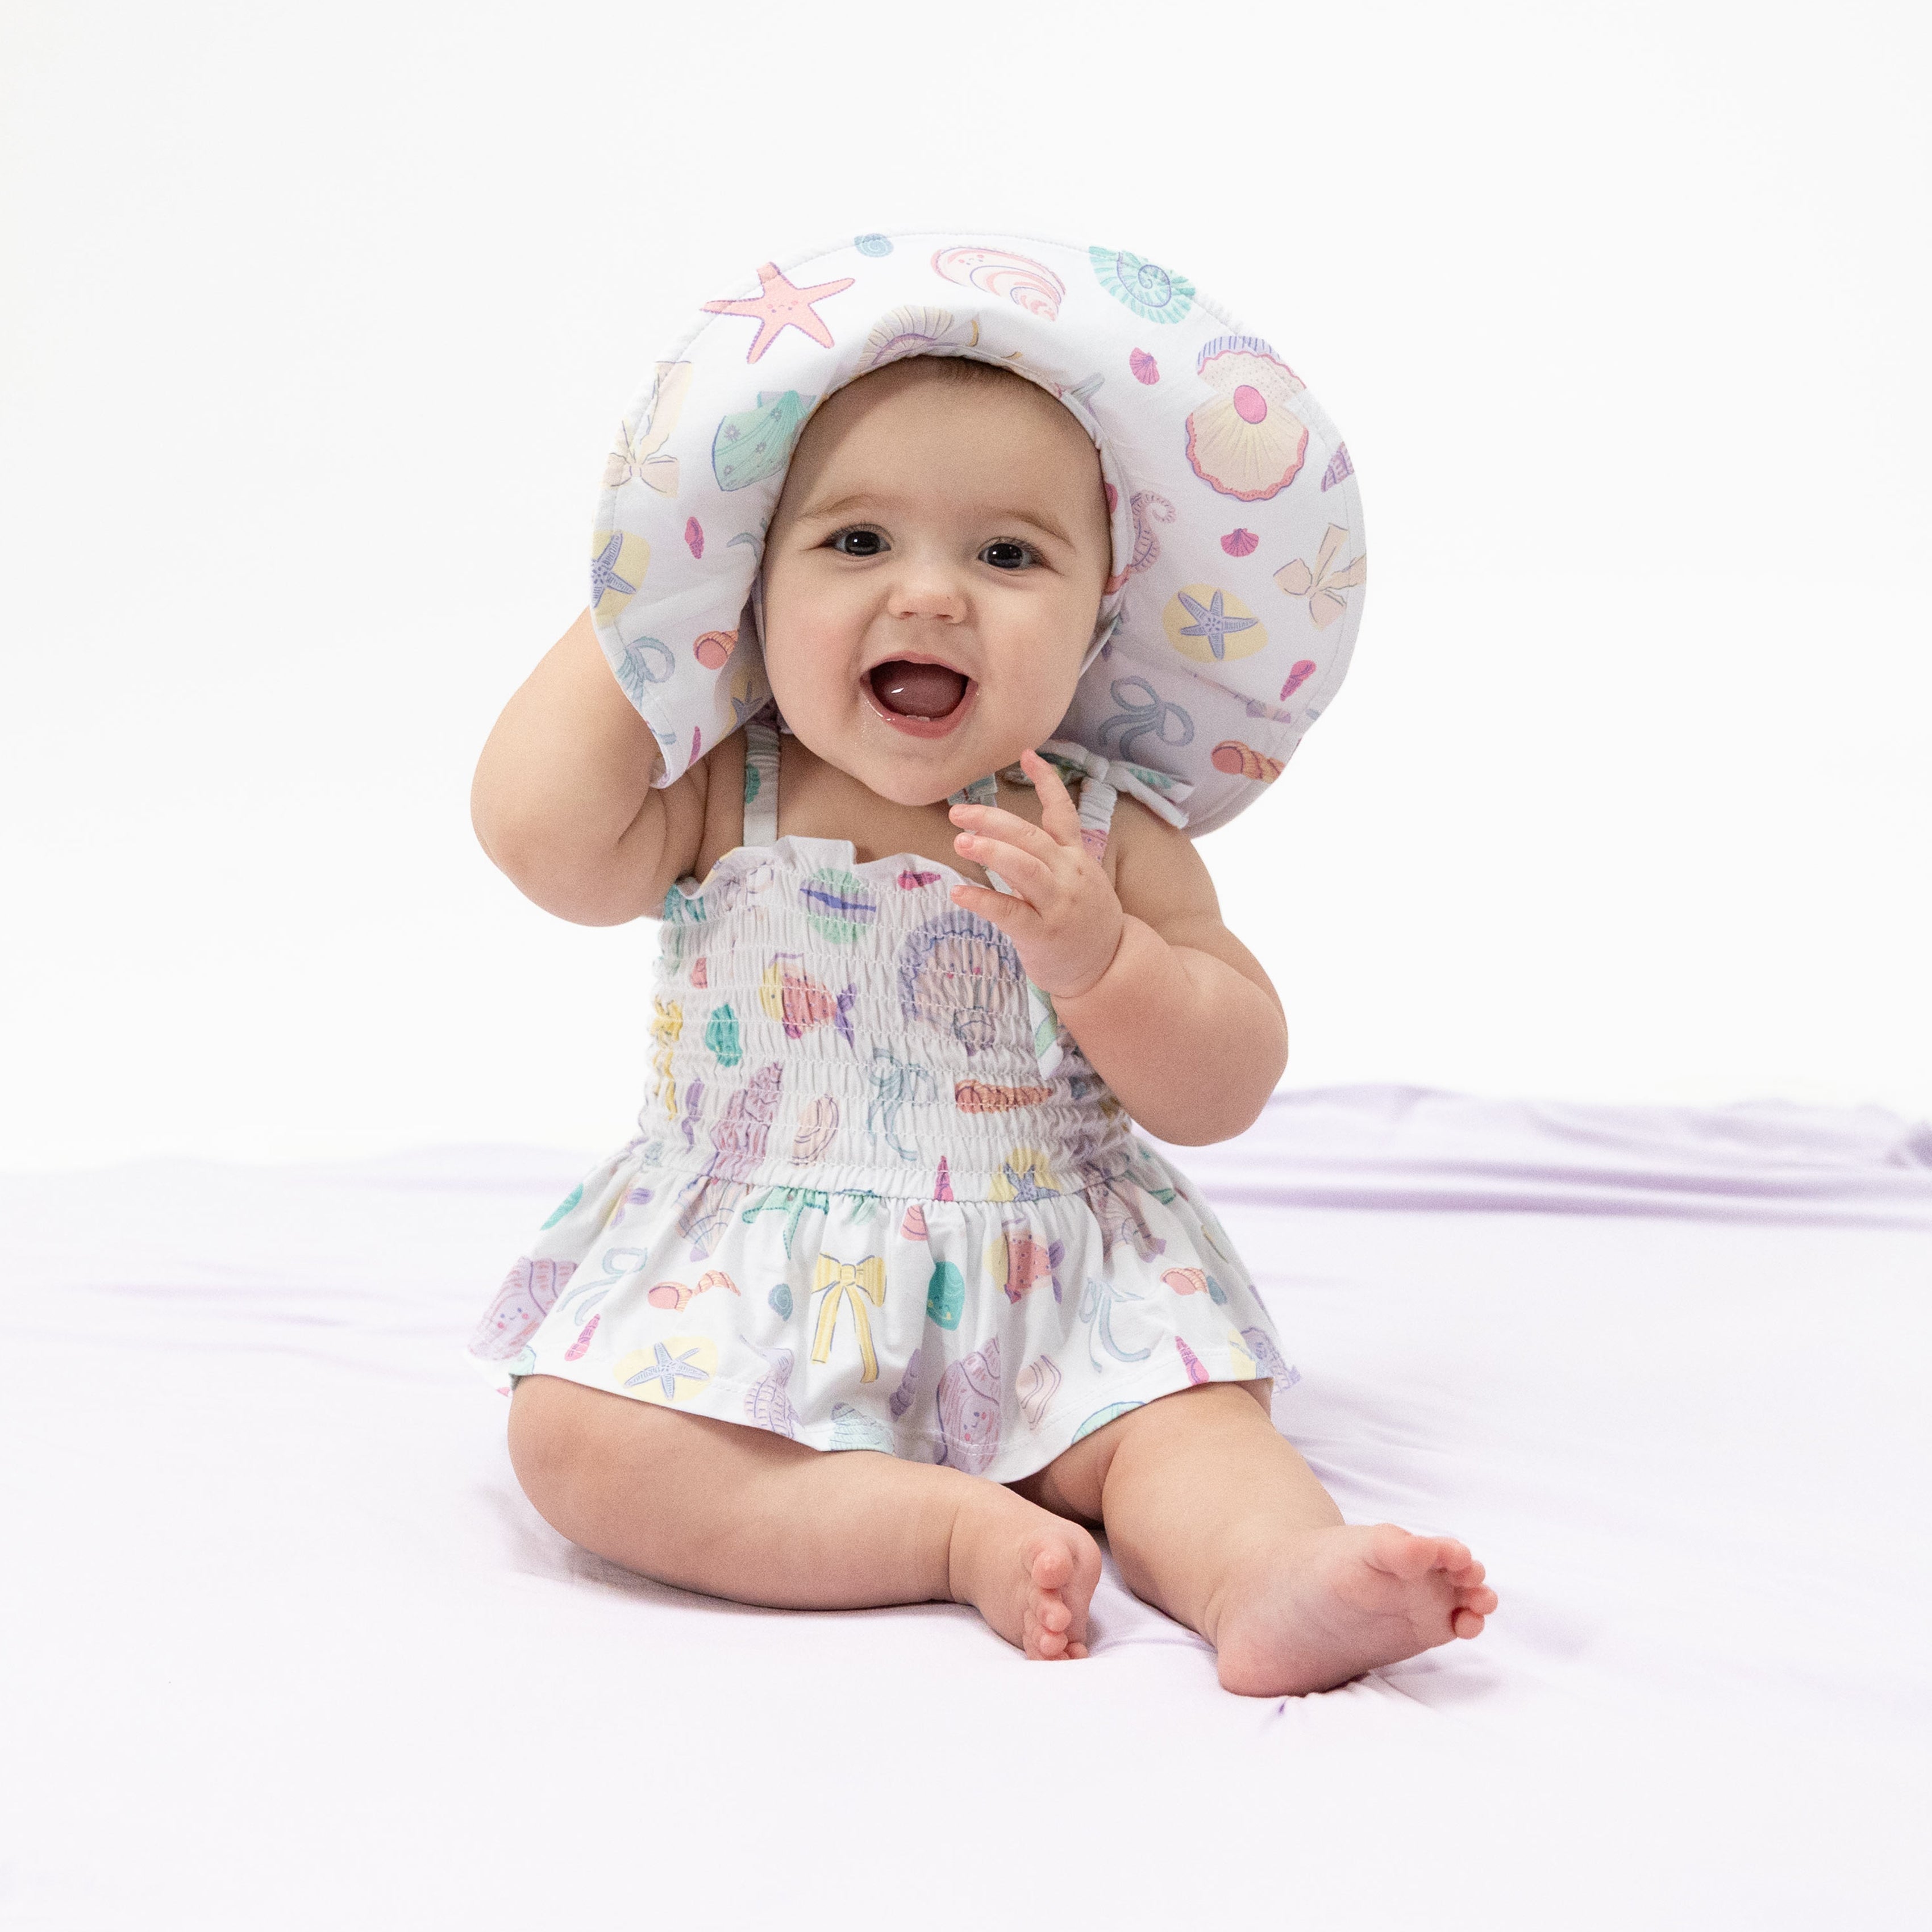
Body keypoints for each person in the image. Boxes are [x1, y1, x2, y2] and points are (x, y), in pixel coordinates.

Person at [466, 244, 1495, 1694]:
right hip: (756, 1295)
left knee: (1189, 1428)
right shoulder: (722, 796)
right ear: (752, 594)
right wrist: (654, 590)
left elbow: (1224, 1078)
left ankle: (1266, 1574)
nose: (932, 596)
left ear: (1097, 625)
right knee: (573, 1439)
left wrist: (1105, 957)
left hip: (1065, 1292)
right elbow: (534, 833)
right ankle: (938, 1531)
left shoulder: (1103, 833)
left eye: (1008, 555)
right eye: (853, 544)